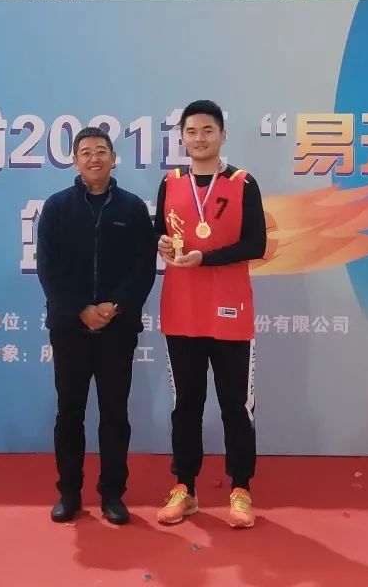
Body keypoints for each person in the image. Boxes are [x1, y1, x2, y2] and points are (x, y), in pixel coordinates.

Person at [154, 99, 266, 529]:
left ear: (222, 134)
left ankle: (241, 488)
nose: (199, 138)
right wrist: (162, 244)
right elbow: (159, 233)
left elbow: (255, 244)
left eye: (207, 130)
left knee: (236, 405)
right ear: (182, 137)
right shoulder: (170, 182)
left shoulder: (242, 183)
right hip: (181, 310)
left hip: (230, 312)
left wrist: (206, 258)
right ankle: (184, 487)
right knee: (186, 404)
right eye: (191, 131)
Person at [36, 126, 157, 524]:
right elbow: (48, 269)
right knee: (69, 412)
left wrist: (115, 306)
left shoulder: (132, 209)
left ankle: (112, 495)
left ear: (113, 158)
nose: (94, 158)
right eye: (85, 152)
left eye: (101, 151)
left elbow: (143, 267)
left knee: (114, 414)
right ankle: (69, 493)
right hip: (69, 328)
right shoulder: (57, 207)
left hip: (117, 329)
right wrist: (79, 309)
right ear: (74, 160)